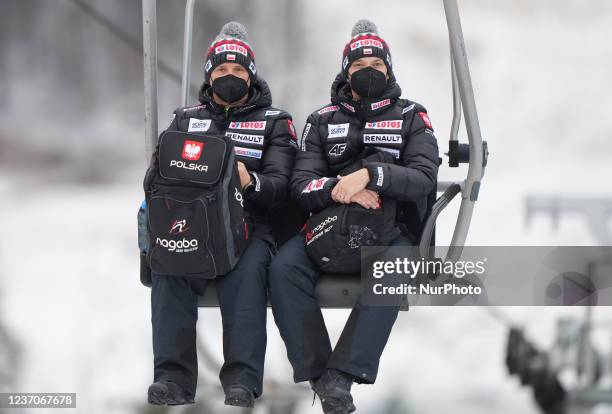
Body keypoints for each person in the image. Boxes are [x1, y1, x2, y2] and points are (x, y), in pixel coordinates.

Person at [268, 19, 439, 414]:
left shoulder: (412, 116)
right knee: (283, 269)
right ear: (345, 73)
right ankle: (320, 376)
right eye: (358, 66)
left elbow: (423, 177)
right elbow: (300, 184)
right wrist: (337, 189)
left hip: (391, 229)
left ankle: (342, 376)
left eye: (376, 65)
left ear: (389, 70)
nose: (368, 72)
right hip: (328, 227)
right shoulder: (322, 120)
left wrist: (372, 175)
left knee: (394, 269)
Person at [146, 22, 297, 408]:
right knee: (168, 267)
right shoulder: (186, 119)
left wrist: (249, 181)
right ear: (209, 75)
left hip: (250, 225)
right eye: (221, 71)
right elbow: (159, 172)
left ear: (251, 75)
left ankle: (242, 381)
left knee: (245, 274)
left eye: (239, 72)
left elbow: (283, 187)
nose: (230, 78)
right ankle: (172, 378)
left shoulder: (274, 122)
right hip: (196, 224)